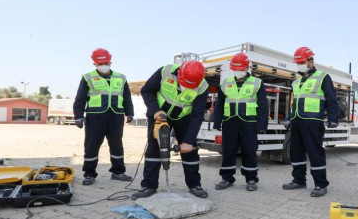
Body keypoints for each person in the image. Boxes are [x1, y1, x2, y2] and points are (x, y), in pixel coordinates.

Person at [131, 60, 210, 199]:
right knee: (154, 149)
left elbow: (197, 115)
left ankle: (194, 185)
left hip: (183, 118)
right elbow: (147, 91)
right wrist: (155, 110)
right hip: (159, 116)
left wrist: (188, 141)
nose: (187, 88)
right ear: (180, 73)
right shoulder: (165, 71)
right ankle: (148, 186)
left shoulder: (203, 86)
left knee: (190, 152)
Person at [282, 47, 338, 197]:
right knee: (296, 152)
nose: (299, 64)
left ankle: (320, 184)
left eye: (302, 61)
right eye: (298, 62)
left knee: (315, 153)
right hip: (297, 121)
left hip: (313, 122)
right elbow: (296, 103)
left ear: (311, 61)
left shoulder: (322, 77)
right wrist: (290, 118)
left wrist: (333, 118)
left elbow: (331, 99)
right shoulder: (297, 81)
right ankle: (299, 180)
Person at [73, 48, 134, 186]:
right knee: (91, 145)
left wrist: (129, 112)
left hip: (116, 116)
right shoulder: (87, 77)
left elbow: (126, 97)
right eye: (100, 64)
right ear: (94, 64)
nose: (103, 65)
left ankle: (118, 172)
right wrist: (78, 116)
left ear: (110, 62)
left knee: (117, 144)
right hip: (95, 117)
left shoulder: (121, 77)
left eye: (105, 62)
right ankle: (89, 174)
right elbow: (80, 99)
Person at [213, 53, 269, 191]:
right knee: (228, 151)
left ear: (246, 68)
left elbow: (263, 105)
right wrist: (217, 121)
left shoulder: (257, 83)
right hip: (229, 122)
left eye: (240, 69)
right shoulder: (226, 83)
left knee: (249, 151)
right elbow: (219, 103)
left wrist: (262, 124)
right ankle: (226, 178)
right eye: (235, 69)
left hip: (249, 122)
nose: (237, 72)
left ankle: (251, 179)